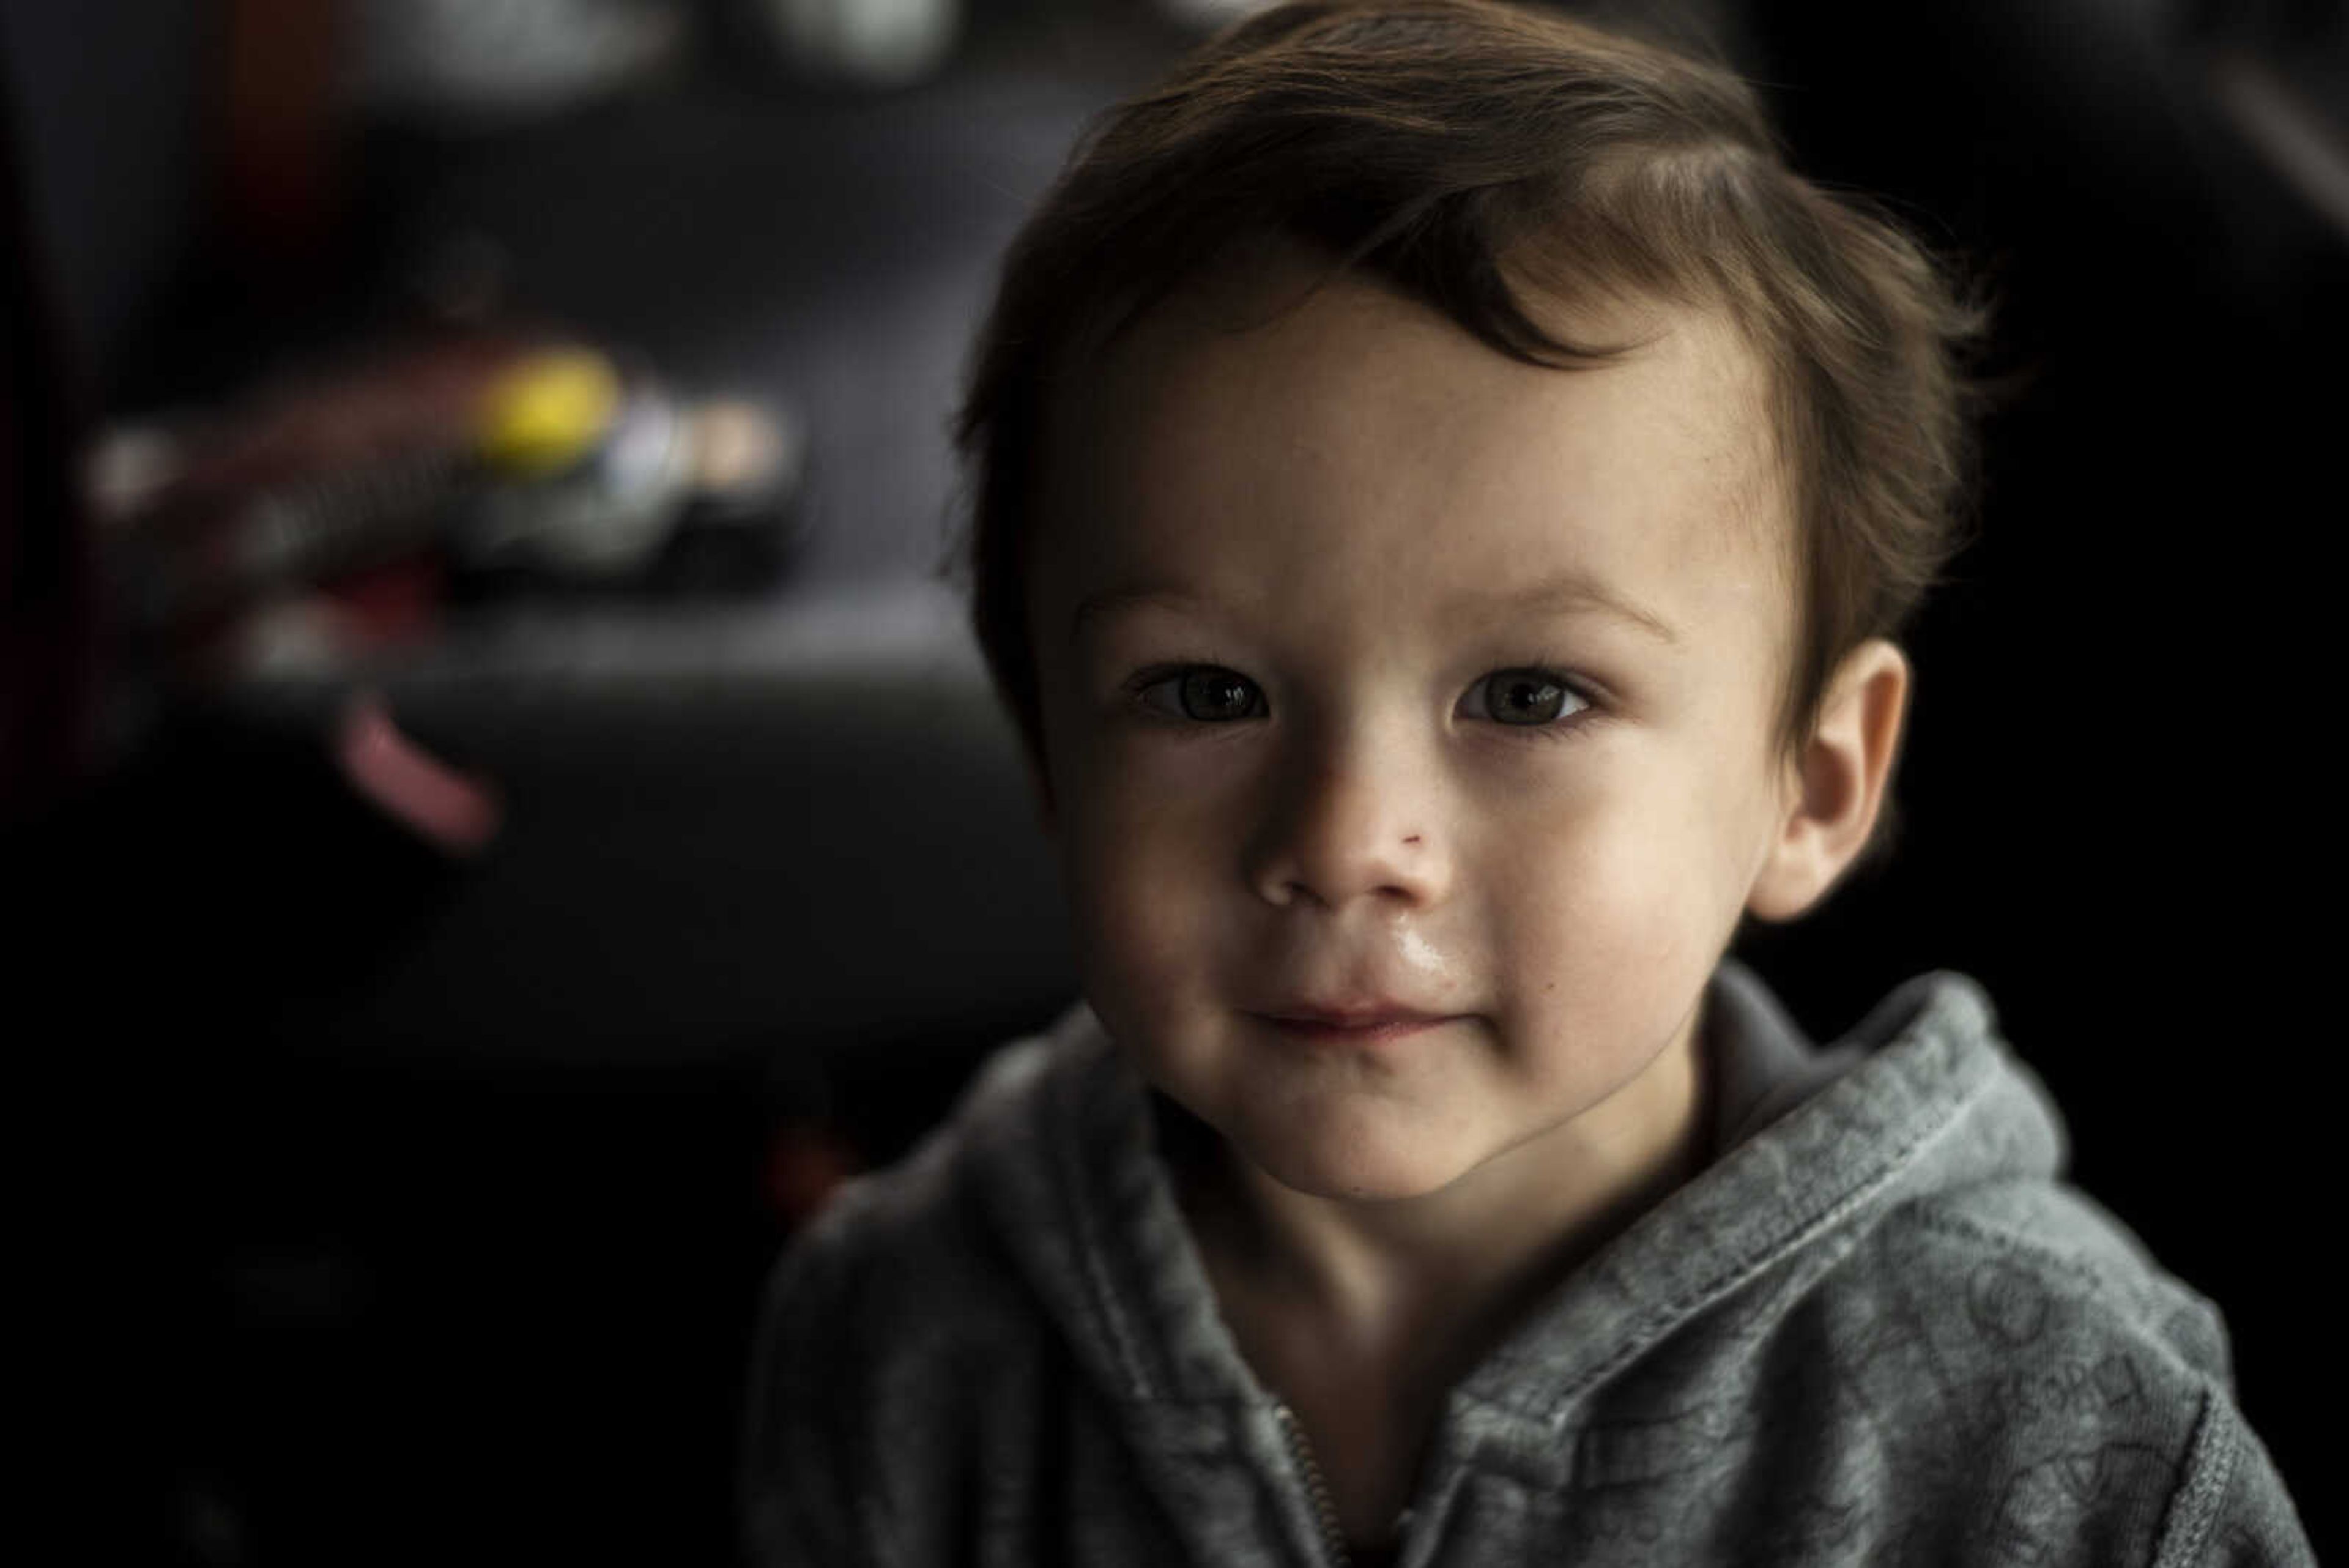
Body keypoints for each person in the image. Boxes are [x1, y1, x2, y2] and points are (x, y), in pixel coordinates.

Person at [740, 1, 2317, 1562]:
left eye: (1530, 695)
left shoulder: (2051, 1431)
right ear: (1046, 754)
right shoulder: (904, 1341)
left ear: (1815, 785)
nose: (1349, 844)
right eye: (1206, 693)